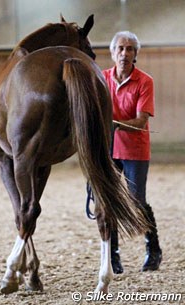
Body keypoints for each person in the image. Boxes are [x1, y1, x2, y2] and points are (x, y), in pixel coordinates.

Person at [102, 31, 162, 273]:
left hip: (135, 148)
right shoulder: (102, 78)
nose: (124, 53)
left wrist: (115, 124)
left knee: (137, 201)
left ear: (136, 54)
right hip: (108, 150)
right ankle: (113, 255)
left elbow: (140, 121)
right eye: (120, 48)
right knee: (108, 201)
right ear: (113, 52)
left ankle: (153, 249)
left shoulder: (144, 81)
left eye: (129, 49)